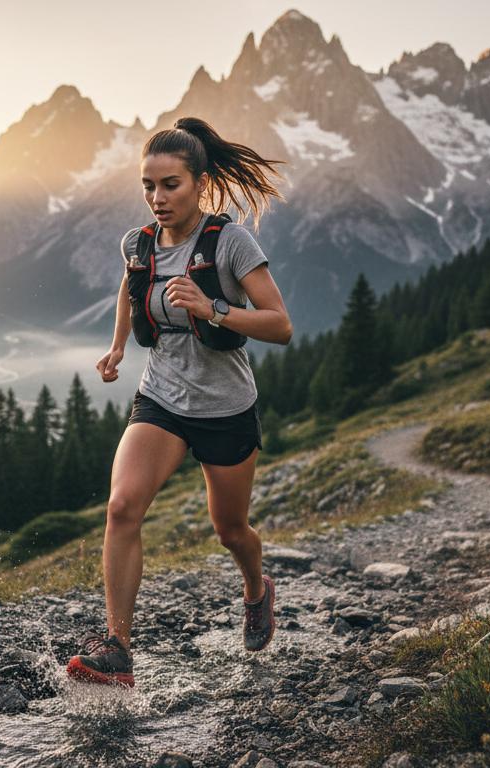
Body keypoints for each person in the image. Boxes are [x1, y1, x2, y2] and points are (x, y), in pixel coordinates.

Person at [65, 116, 293, 687]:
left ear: (200, 183)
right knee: (122, 507)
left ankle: (256, 588)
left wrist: (212, 308)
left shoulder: (231, 243)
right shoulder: (138, 243)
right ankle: (118, 649)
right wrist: (118, 346)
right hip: (161, 398)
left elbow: (280, 325)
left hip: (225, 406)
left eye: (171, 185)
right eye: (148, 185)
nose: (157, 198)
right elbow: (130, 287)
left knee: (231, 531)